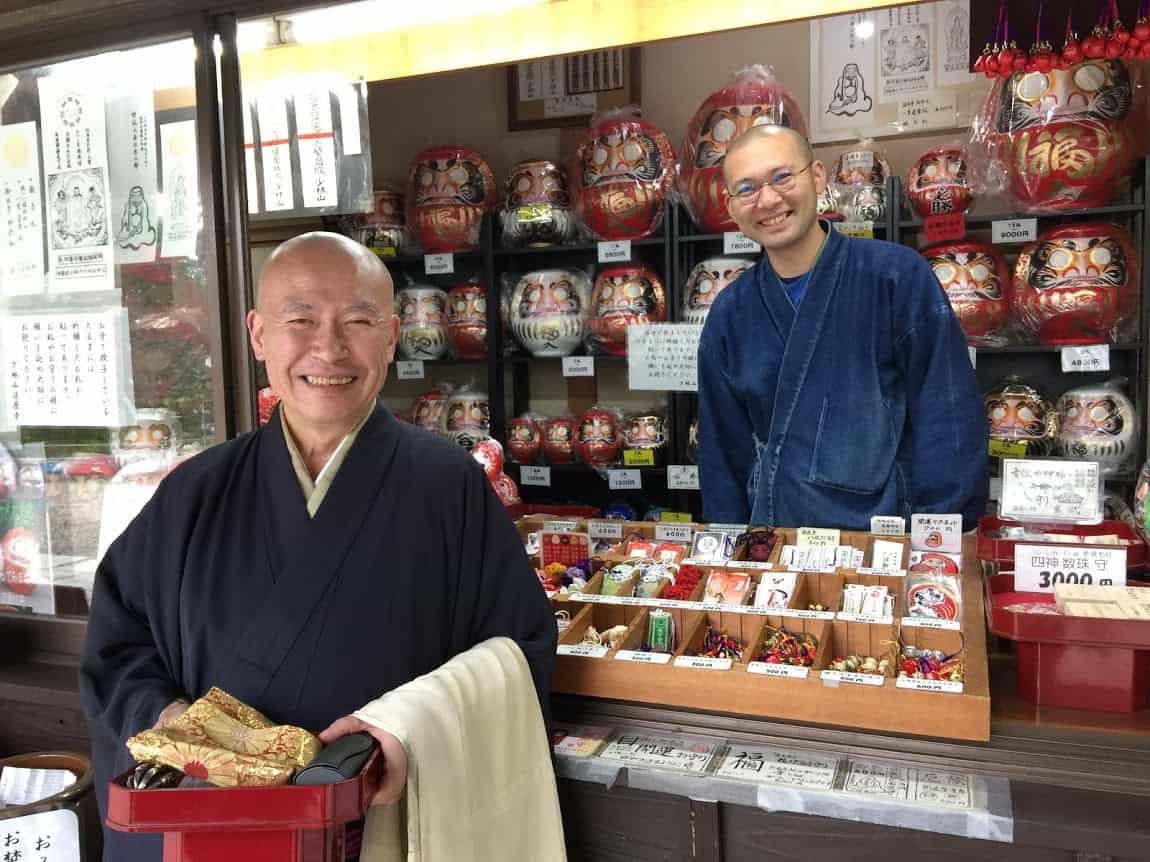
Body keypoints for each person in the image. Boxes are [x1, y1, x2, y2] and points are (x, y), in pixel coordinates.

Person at [80, 232, 556, 861]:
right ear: (258, 335)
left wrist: (408, 733)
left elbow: (515, 656)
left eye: (357, 321)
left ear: (390, 336)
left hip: (376, 828)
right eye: (300, 320)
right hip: (210, 825)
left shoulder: (449, 485)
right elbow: (118, 643)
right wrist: (175, 724)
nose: (328, 348)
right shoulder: (197, 489)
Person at [697, 125, 987, 530]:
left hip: (883, 540)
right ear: (731, 208)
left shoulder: (896, 277)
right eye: (746, 189)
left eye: (782, 177)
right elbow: (721, 449)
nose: (767, 199)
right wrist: (729, 549)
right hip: (775, 539)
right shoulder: (730, 312)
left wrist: (940, 535)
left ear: (817, 177)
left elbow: (947, 414)